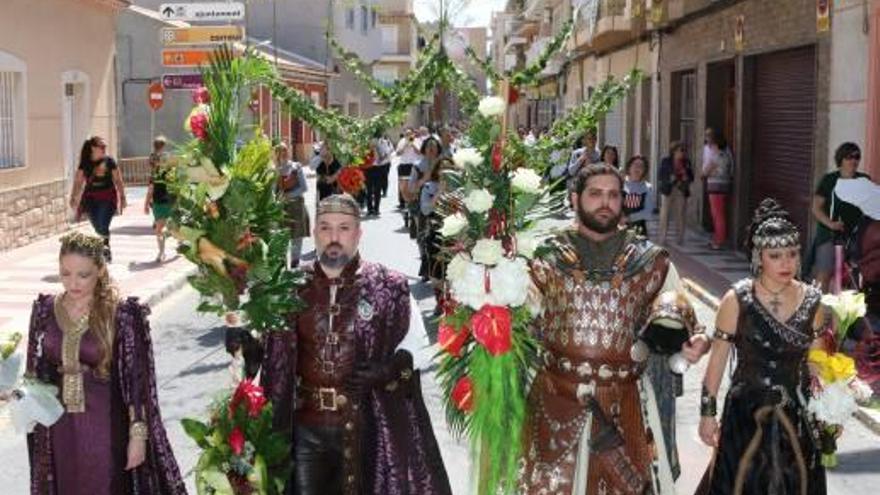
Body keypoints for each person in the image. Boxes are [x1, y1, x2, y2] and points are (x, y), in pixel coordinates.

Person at [520, 164, 710, 494]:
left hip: (626, 406)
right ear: (575, 198)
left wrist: (696, 344)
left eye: (613, 195)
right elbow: (520, 316)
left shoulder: (651, 261)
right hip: (555, 398)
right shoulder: (544, 257)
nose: (605, 203)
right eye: (595, 194)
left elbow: (687, 325)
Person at [259, 194, 452, 495]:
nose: (333, 237)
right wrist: (247, 345)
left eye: (344, 228)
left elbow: (417, 347)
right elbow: (273, 357)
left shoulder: (389, 286)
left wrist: (389, 368)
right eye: (325, 227)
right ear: (314, 233)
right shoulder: (289, 286)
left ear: (359, 233)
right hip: (305, 428)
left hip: (369, 423)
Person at [24, 232, 185, 494]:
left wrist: (138, 436)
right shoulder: (44, 310)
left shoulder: (120, 315)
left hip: (105, 426)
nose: (72, 283)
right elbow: (35, 371)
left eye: (83, 275)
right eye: (65, 273)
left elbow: (137, 380)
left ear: (99, 270)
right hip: (57, 428)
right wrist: (19, 392)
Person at [697, 198, 826, 495]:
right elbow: (717, 362)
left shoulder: (813, 302)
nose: (787, 263)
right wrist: (707, 414)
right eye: (776, 255)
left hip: (797, 413)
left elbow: (817, 363)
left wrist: (829, 412)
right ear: (759, 257)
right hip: (745, 413)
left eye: (792, 254)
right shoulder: (736, 300)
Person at [809, 142, 871, 290]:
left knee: (854, 276)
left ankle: (847, 310)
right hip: (830, 234)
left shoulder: (864, 180)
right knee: (824, 273)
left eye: (857, 157)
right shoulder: (830, 180)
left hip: (856, 237)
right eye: (849, 157)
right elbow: (816, 207)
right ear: (841, 159)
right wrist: (830, 223)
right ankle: (818, 309)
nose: (854, 161)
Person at [69, 136, 127, 263]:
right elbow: (78, 182)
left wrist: (122, 197)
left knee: (103, 223)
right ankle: (104, 247)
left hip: (108, 197)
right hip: (91, 200)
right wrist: (73, 196)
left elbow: (118, 180)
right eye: (102, 147)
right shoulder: (85, 163)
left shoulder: (110, 161)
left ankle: (105, 250)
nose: (104, 149)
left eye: (105, 146)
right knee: (97, 227)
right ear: (93, 148)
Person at [275, 143, 310, 268]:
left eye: (285, 150)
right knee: (281, 238)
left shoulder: (296, 167)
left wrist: (288, 196)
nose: (283, 153)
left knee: (297, 237)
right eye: (280, 151)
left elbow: (304, 188)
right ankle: (282, 267)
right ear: (276, 154)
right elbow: (273, 191)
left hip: (296, 206)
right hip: (281, 209)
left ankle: (295, 264)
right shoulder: (274, 170)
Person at [408, 137, 443, 251]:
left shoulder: (444, 164)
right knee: (424, 237)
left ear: (438, 148)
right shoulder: (417, 166)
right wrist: (424, 179)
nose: (431, 148)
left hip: (441, 205)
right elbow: (411, 188)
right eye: (429, 146)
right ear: (424, 148)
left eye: (434, 146)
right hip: (422, 206)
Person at [701, 132, 734, 250]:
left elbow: (705, 172)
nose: (709, 146)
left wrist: (707, 172)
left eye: (711, 144)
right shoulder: (727, 154)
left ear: (716, 144)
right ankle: (717, 238)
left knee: (717, 214)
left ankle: (719, 240)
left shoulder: (716, 156)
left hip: (715, 187)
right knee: (719, 213)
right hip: (724, 186)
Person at [658, 141, 695, 245]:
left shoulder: (686, 162)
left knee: (680, 214)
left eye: (684, 151)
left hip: (681, 189)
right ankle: (663, 238)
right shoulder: (666, 161)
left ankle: (680, 238)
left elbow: (692, 176)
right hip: (668, 189)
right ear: (674, 151)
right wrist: (670, 178)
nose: (682, 153)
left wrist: (686, 176)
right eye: (680, 150)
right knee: (665, 213)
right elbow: (661, 175)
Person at [144, 136, 174, 263]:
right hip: (166, 201)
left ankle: (161, 252)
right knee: (163, 228)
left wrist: (146, 204)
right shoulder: (169, 165)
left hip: (160, 201)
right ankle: (162, 251)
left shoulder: (155, 172)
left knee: (160, 229)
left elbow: (151, 189)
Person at [623, 155, 655, 237]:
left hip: (638, 230)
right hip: (617, 229)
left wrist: (628, 218)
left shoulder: (647, 188)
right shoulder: (619, 184)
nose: (637, 168)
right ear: (629, 167)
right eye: (635, 165)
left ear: (644, 170)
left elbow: (647, 213)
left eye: (641, 166)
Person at [396, 128, 422, 221]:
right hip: (404, 166)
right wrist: (406, 145)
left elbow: (420, 152)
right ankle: (407, 204)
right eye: (407, 134)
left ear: (413, 134)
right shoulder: (402, 141)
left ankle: (413, 204)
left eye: (410, 134)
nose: (409, 135)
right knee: (403, 188)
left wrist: (413, 144)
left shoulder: (418, 141)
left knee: (414, 187)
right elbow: (398, 153)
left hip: (414, 165)